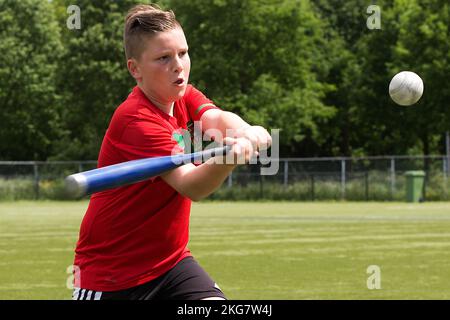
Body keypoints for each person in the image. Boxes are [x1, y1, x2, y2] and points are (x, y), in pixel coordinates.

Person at [72, 3, 271, 300]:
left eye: (183, 53)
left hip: (171, 264)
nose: (178, 65)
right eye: (163, 58)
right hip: (112, 277)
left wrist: (245, 132)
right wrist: (227, 159)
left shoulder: (182, 96)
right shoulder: (136, 120)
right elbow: (192, 185)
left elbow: (216, 119)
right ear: (134, 69)